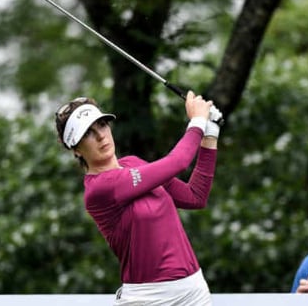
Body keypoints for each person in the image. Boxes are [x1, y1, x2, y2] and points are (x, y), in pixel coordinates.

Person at [54, 92, 221, 305]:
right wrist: (198, 121)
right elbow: (178, 162)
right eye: (88, 133)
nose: (101, 136)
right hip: (149, 298)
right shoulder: (100, 189)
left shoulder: (134, 163)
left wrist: (210, 133)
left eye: (102, 125)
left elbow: (195, 196)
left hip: (195, 291)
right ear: (76, 150)